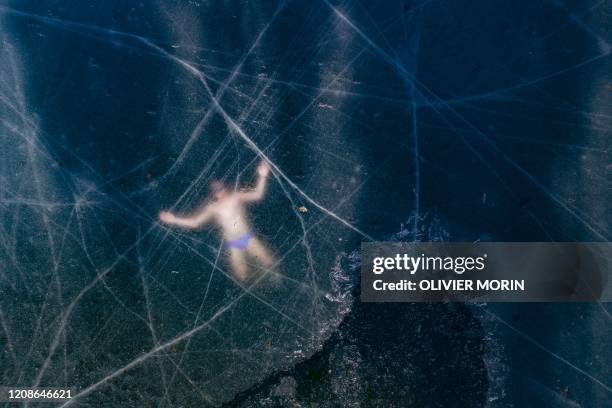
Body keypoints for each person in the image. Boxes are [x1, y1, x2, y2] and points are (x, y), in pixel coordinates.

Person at [159, 161, 276, 282]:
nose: (220, 192)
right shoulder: (213, 207)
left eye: (220, 188)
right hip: (234, 243)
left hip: (247, 237)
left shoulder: (235, 197)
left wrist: (262, 175)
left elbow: (257, 195)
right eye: (216, 190)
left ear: (225, 188)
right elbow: (195, 222)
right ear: (213, 194)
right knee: (242, 276)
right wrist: (173, 219)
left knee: (268, 263)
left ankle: (277, 284)